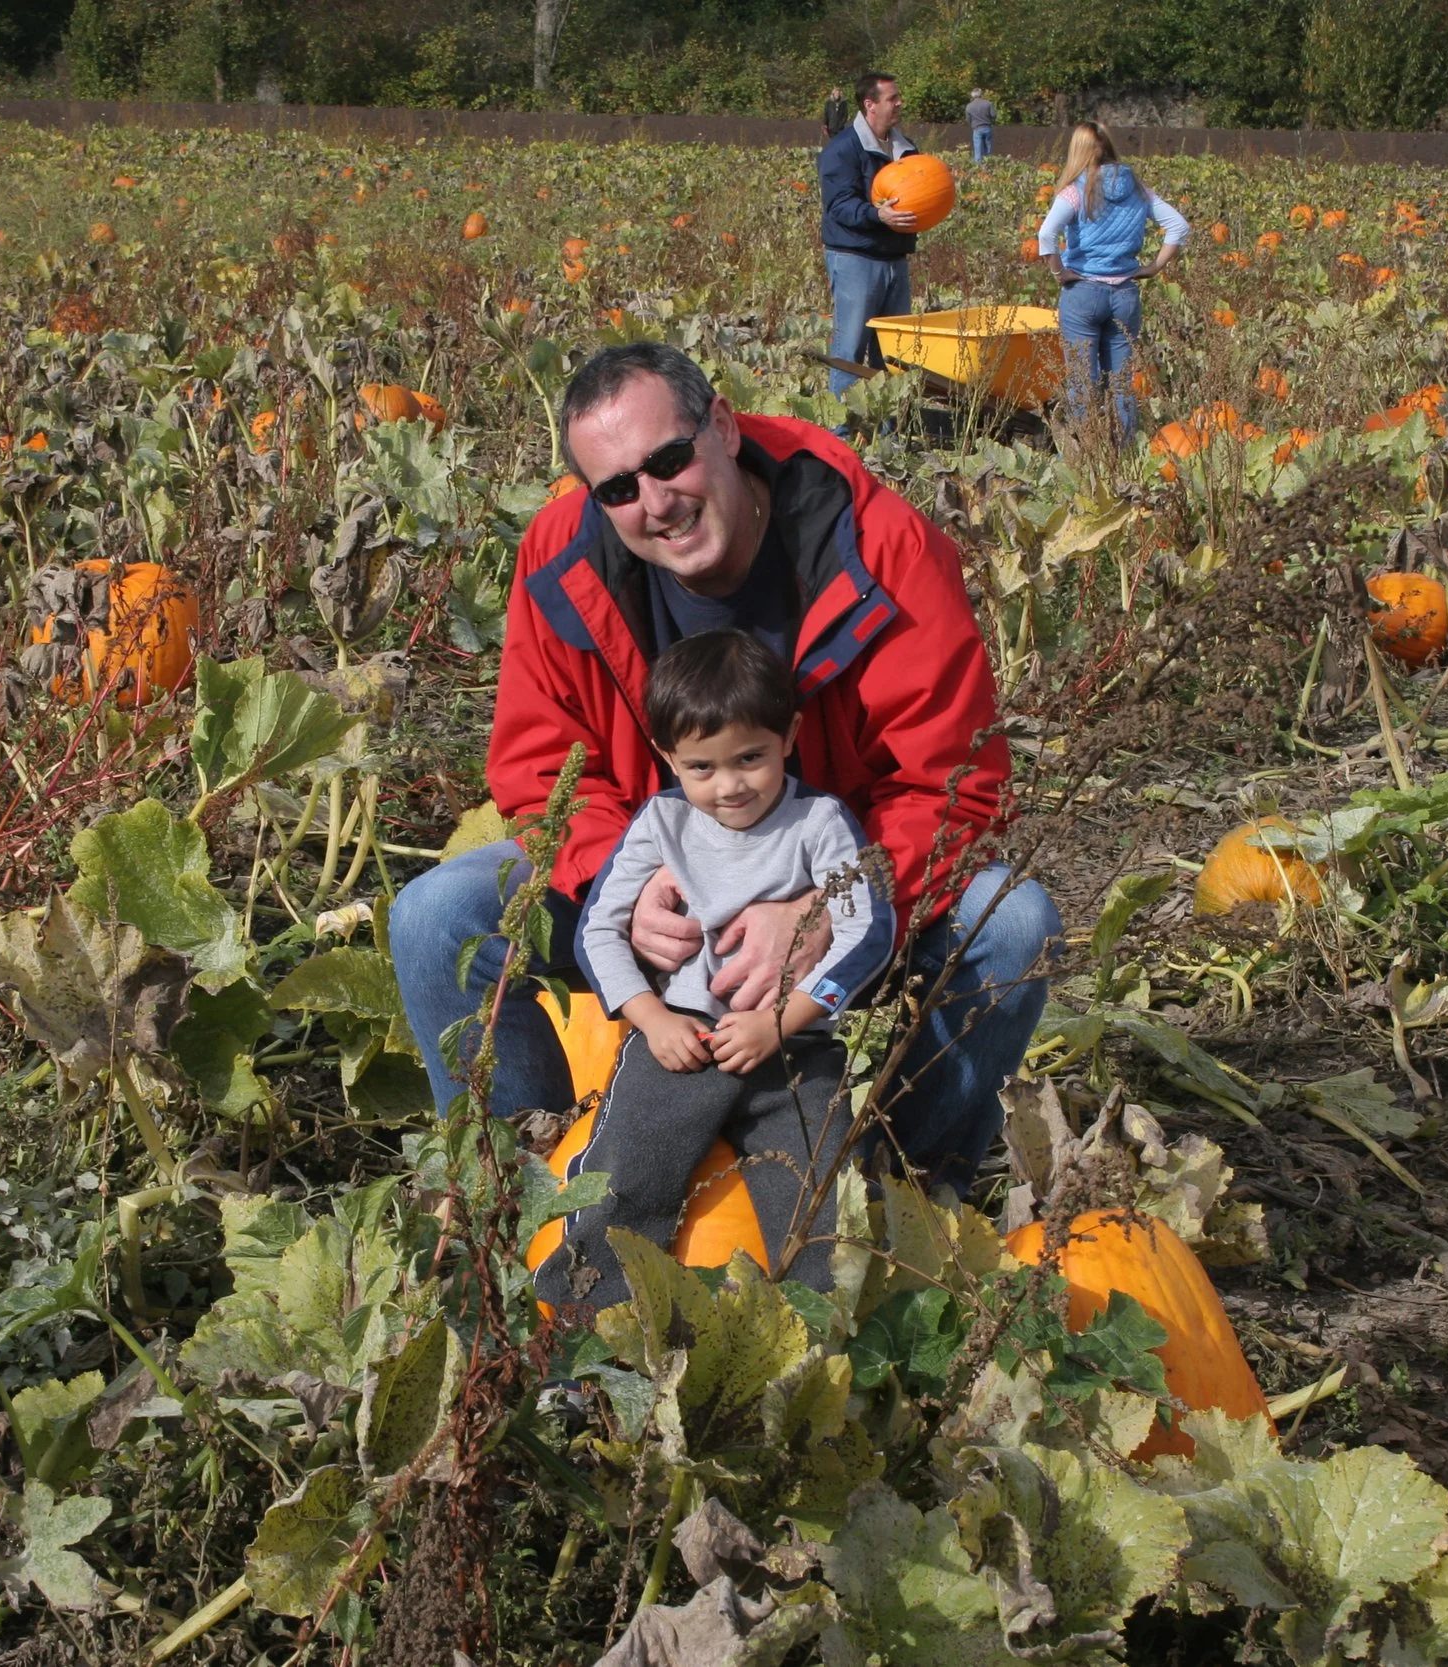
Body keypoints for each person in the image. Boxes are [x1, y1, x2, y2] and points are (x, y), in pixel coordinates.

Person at [389, 342, 1061, 1197]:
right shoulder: (562, 560)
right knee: (435, 917)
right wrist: (622, 888)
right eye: (620, 489)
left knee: (1012, 926)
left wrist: (829, 900)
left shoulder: (879, 548)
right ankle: (523, 1203)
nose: (656, 502)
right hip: (656, 867)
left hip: (836, 868)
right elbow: (540, 767)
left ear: (723, 426)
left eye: (670, 461)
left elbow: (954, 782)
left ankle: (904, 1196)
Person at [532, 630, 893, 1308]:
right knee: (628, 1170)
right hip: (684, 1041)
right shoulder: (661, 823)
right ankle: (586, 1326)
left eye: (750, 758)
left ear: (789, 735)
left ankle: (819, 1341)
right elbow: (597, 933)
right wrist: (652, 1016)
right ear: (669, 757)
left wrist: (781, 1022)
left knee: (821, 1187)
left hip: (794, 1045)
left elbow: (866, 932)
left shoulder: (819, 823)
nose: (729, 786)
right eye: (702, 767)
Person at [1035, 119, 1187, 441]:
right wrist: (1154, 266)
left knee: (1082, 380)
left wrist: (1059, 272)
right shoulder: (1137, 188)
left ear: (1078, 151)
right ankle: (1126, 452)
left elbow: (1046, 234)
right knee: (1121, 380)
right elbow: (1178, 226)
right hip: (1125, 295)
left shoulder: (1075, 191)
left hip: (1083, 293)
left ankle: (1088, 453)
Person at [817, 72, 922, 399]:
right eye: (892, 98)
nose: (899, 103)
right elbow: (840, 205)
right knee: (850, 347)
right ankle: (841, 430)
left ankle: (886, 426)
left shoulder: (905, 148)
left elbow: (920, 191)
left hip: (895, 258)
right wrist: (878, 214)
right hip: (855, 259)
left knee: (894, 350)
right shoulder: (843, 149)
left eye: (898, 97)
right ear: (870, 105)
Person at [966, 88, 996, 162]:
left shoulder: (969, 106)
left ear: (972, 96)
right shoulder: (988, 103)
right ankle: (989, 161)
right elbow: (993, 115)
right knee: (988, 146)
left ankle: (978, 165)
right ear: (981, 94)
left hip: (977, 128)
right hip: (987, 127)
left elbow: (968, 119)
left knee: (978, 147)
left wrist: (972, 124)